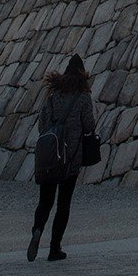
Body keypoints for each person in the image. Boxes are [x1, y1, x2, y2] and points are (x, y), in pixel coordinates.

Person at [27, 52, 96, 262]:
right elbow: (89, 126)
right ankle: (54, 248)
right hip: (71, 158)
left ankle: (38, 229)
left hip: (49, 157)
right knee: (63, 204)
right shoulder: (83, 97)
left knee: (45, 201)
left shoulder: (52, 97)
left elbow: (41, 126)